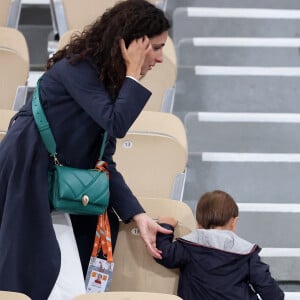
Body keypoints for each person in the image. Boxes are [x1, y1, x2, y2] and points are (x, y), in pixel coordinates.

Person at [0, 0, 172, 299]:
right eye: (155, 47)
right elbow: (116, 123)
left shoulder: (107, 80)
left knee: (61, 279)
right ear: (131, 44)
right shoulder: (78, 69)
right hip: (27, 170)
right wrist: (132, 73)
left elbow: (103, 162)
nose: (159, 58)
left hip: (54, 181)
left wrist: (138, 215)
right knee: (33, 276)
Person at [155, 190, 285, 300]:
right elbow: (270, 292)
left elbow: (163, 253)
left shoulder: (188, 246)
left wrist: (166, 226)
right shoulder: (246, 253)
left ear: (198, 223)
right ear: (234, 222)